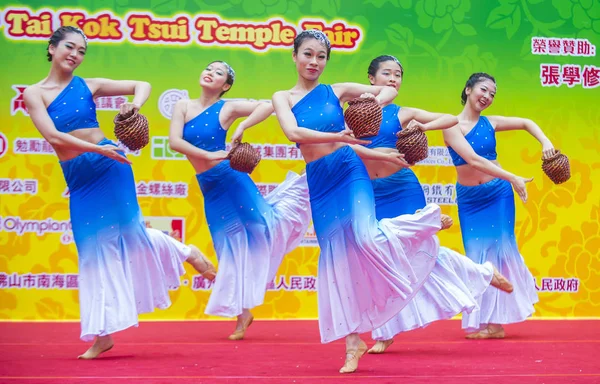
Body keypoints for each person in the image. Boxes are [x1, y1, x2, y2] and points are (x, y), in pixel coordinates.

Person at [23, 26, 216, 359]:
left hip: (110, 166)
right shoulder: (34, 94)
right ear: (52, 48)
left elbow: (142, 85)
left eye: (81, 51)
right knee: (91, 252)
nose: (75, 54)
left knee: (129, 234)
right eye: (69, 47)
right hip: (83, 174)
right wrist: (96, 150)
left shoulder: (89, 85)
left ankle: (183, 254)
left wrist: (133, 107)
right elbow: (54, 137)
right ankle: (103, 333)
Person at [272, 30, 455, 374]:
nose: (314, 62)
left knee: (366, 237)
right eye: (308, 54)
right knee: (339, 260)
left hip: (349, 169)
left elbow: (386, 90)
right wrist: (340, 135)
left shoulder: (337, 91)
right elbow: (293, 134)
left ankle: (424, 223)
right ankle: (352, 341)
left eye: (321, 56)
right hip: (320, 180)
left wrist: (370, 104)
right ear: (294, 56)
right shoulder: (282, 97)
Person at [360, 55, 514, 354]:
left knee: (421, 253)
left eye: (398, 75)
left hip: (403, 190)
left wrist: (421, 125)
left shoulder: (401, 113)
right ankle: (480, 273)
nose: (393, 79)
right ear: (371, 78)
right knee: (382, 260)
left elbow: (449, 119)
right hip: (371, 193)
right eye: (387, 73)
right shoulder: (353, 116)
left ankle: (481, 275)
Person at [168, 61, 311, 340]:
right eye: (208, 68)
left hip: (232, 177)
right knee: (227, 246)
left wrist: (242, 125)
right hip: (210, 185)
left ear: (226, 86)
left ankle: (301, 194)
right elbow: (174, 142)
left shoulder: (227, 107)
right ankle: (243, 313)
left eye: (219, 72)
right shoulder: (183, 106)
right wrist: (209, 156)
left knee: (263, 229)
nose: (210, 72)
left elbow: (269, 105)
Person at [442, 72, 556, 339]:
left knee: (501, 253)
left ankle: (495, 323)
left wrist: (546, 142)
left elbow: (527, 123)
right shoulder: (450, 124)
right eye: (483, 90)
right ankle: (484, 320)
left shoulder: (490, 123)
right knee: (476, 257)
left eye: (493, 94)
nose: (488, 97)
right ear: (468, 89)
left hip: (498, 194)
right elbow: (472, 160)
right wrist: (513, 177)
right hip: (471, 200)